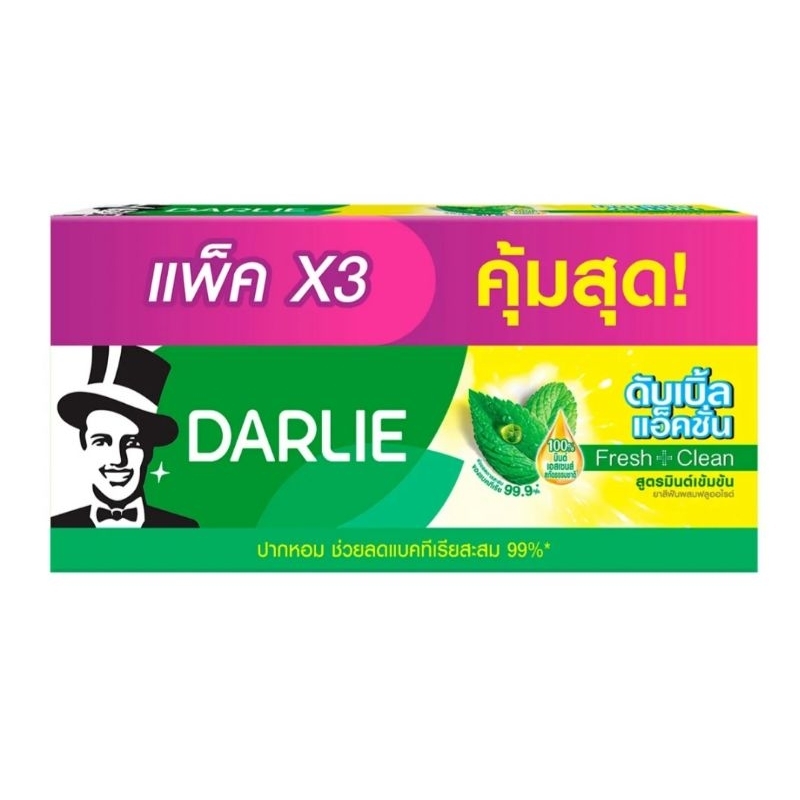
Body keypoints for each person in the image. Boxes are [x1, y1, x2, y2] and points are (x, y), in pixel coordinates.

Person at [51, 346, 198, 528]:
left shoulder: (181, 530)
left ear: (149, 451)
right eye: (101, 441)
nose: (118, 459)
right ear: (84, 445)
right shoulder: (56, 528)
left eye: (131, 443)